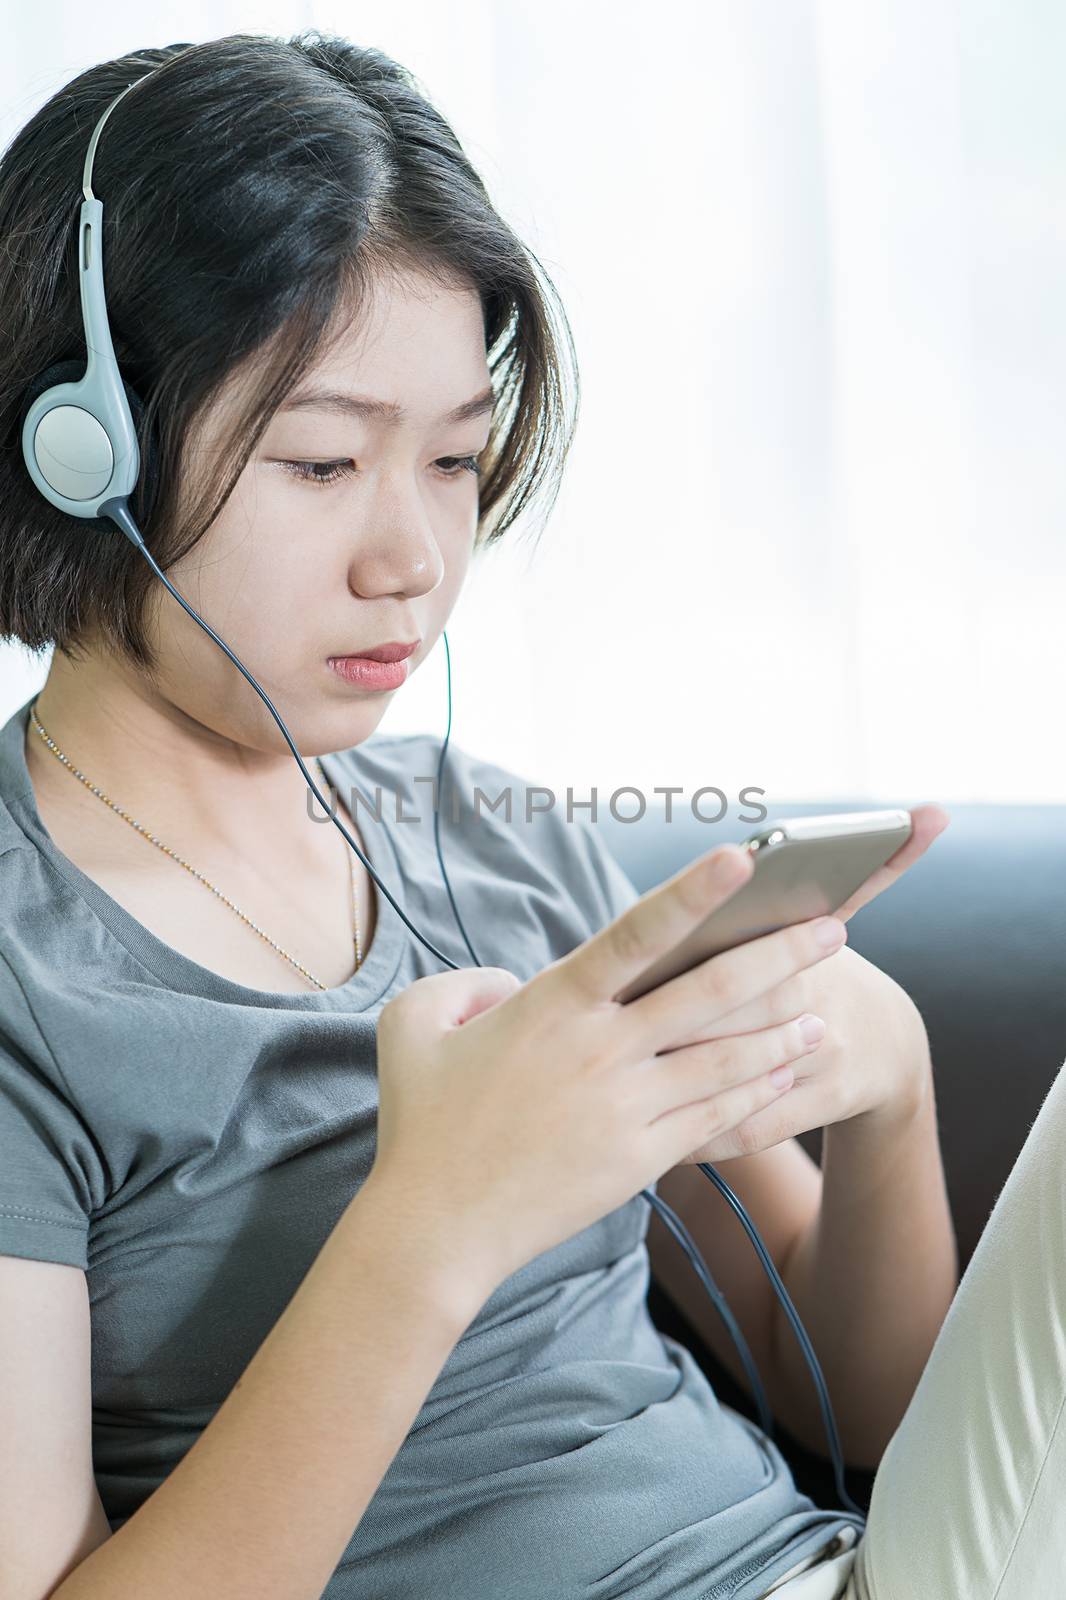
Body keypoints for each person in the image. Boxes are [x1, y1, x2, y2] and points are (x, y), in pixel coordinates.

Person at [0, 30, 1060, 1600]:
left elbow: (863, 1390)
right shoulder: (31, 982)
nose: (412, 557)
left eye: (451, 462)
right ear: (81, 451)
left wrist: (886, 1085)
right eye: (318, 461)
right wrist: (431, 1225)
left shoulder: (487, 835)